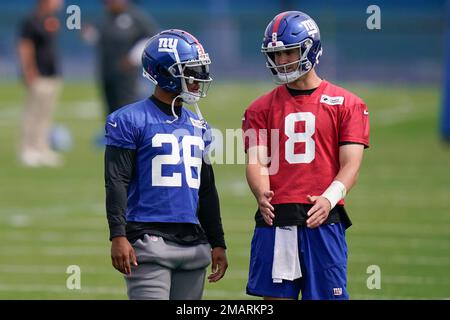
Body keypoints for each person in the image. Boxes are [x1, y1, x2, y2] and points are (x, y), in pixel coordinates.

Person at [242, 11, 370, 300]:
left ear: (310, 48)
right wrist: (261, 192)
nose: (282, 61)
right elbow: (256, 160)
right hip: (276, 220)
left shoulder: (348, 104)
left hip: (322, 219)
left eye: (289, 52)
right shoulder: (258, 109)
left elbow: (351, 165)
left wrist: (329, 197)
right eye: (276, 54)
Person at [104, 29, 228, 300]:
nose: (199, 79)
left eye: (200, 70)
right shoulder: (129, 119)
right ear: (165, 72)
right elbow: (117, 180)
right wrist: (117, 234)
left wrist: (217, 241)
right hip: (148, 239)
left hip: (193, 242)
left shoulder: (198, 125)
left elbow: (206, 188)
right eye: (191, 71)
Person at [82, 0, 158, 116]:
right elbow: (98, 37)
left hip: (126, 74)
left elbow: (150, 37)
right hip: (107, 70)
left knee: (127, 107)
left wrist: (132, 58)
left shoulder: (135, 16)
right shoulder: (105, 18)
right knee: (110, 109)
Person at [17, 0, 64, 167]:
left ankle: (41, 147)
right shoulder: (31, 20)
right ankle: (27, 149)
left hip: (52, 73)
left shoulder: (51, 19)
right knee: (33, 113)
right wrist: (28, 69)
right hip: (38, 74)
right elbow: (25, 46)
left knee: (46, 114)